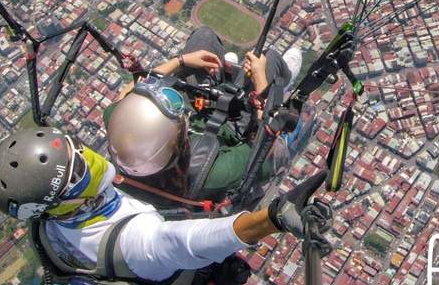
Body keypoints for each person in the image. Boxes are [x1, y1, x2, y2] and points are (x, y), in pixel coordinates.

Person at [0, 90, 324, 285]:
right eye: (76, 169)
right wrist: (273, 217)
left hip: (102, 270)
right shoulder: (134, 239)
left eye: (75, 149)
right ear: (64, 198)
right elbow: (193, 242)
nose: (85, 156)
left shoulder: (43, 212)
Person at [104, 27, 305, 203]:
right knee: (270, 59)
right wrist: (262, 80)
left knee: (203, 37)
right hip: (224, 136)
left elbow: (132, 90)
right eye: (172, 112)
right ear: (177, 139)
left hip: (196, 119)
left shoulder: (123, 130)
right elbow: (267, 144)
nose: (174, 104)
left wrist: (181, 61)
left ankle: (216, 77)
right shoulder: (213, 171)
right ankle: (283, 77)